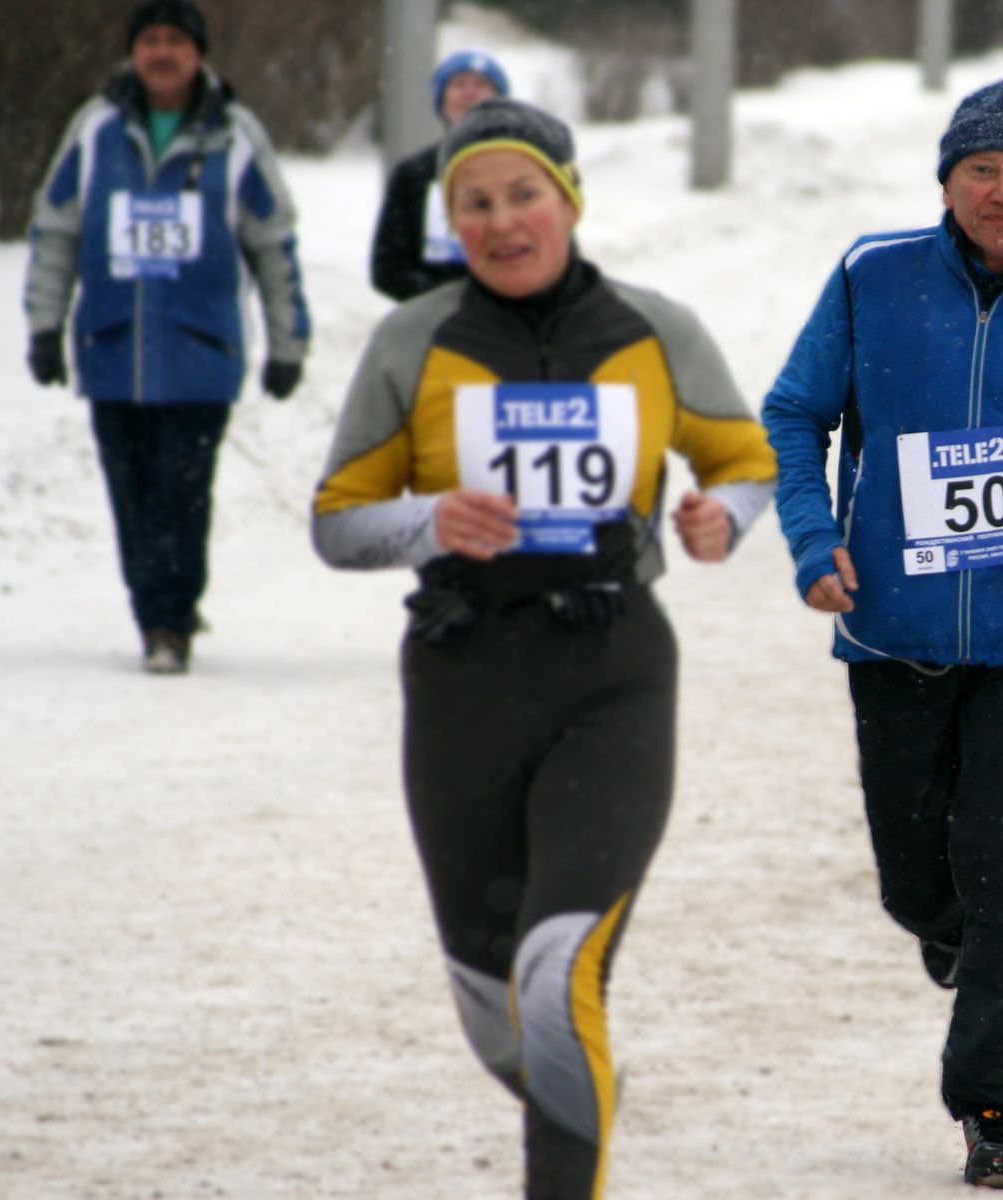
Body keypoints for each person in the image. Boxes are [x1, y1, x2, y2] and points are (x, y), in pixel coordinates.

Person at [311, 99, 777, 1198]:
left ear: (568, 201)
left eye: (525, 195)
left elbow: (747, 462)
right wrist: (433, 523)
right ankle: (575, 1117)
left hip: (610, 670)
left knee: (555, 970)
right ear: (451, 222)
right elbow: (337, 519)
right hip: (462, 680)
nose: (502, 221)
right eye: (475, 203)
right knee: (496, 1012)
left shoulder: (654, 330)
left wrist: (725, 518)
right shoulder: (412, 340)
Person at [762, 74, 1003, 1190]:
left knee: (997, 865)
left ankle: (994, 1107)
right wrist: (810, 537)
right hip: (891, 627)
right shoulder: (870, 276)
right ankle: (963, 936)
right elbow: (796, 412)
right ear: (946, 178)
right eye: (982, 169)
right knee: (913, 882)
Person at [22, 0, 308, 674]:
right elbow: (56, 229)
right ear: (132, 53)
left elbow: (273, 244)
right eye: (148, 40)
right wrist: (44, 325)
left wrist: (287, 344)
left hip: (200, 352)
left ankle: (167, 620)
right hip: (113, 346)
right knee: (131, 492)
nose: (161, 52)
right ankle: (158, 601)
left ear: (199, 53)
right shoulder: (94, 133)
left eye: (175, 40)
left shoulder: (236, 136)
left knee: (182, 491)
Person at [370, 49, 510, 302]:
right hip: (431, 326)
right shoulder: (413, 174)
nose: (470, 93)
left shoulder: (525, 172)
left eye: (481, 84)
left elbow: (556, 258)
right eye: (458, 84)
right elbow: (387, 268)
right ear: (441, 98)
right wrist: (444, 301)